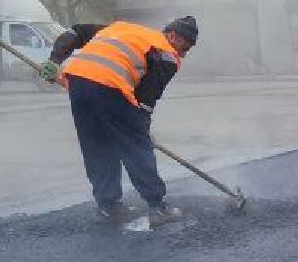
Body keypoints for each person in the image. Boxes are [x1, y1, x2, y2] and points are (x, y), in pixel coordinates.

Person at [46, 15, 199, 225]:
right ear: (173, 35)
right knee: (136, 147)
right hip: (109, 86)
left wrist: (54, 61)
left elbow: (75, 33)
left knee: (96, 144)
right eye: (185, 47)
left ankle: (108, 206)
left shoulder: (121, 29)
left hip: (78, 81)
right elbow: (146, 99)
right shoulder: (167, 54)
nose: (184, 54)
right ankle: (157, 207)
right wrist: (141, 132)